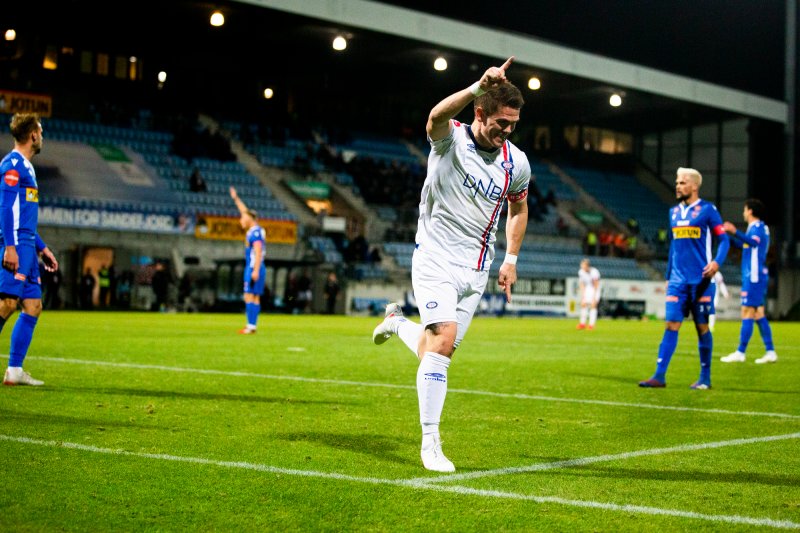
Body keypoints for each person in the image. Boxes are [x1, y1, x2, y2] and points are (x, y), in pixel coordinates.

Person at [371, 57, 530, 471]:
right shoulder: (450, 139)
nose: (507, 131)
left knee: (434, 349)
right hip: (435, 257)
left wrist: (511, 258)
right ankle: (431, 443)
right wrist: (477, 85)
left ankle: (396, 322)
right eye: (501, 122)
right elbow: (435, 116)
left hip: (475, 272)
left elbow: (518, 210)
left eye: (513, 124)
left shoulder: (517, 163)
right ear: (480, 113)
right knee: (441, 342)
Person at [639, 167, 729, 390]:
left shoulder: (708, 210)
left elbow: (724, 240)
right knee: (671, 324)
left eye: (682, 182)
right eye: (677, 182)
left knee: (702, 327)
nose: (677, 186)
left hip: (701, 281)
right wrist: (669, 276)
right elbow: (674, 249)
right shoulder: (674, 213)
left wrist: (716, 263)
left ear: (694, 186)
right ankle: (659, 376)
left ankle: (705, 378)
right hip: (678, 281)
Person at [0, 113, 59, 386]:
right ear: (33, 134)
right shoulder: (12, 165)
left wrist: (42, 248)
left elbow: (23, 216)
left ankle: (14, 370)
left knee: (33, 306)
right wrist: (10, 248)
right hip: (14, 246)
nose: (43, 136)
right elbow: (4, 208)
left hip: (27, 246)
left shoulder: (27, 167)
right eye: (41, 131)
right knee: (6, 304)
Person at [720, 198, 778, 364]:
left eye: (745, 210)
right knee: (758, 313)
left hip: (754, 276)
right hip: (754, 274)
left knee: (747, 311)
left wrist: (734, 231)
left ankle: (741, 352)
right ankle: (770, 351)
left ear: (750, 211)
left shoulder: (759, 227)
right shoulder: (755, 228)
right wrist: (729, 238)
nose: (743, 213)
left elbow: (752, 242)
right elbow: (745, 244)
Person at [230, 186, 266, 334]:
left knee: (248, 295)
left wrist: (255, 270)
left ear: (249, 219)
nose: (240, 220)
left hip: (253, 266)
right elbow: (245, 211)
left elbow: (257, 251)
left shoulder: (255, 233)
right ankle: (252, 325)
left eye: (242, 218)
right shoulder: (256, 229)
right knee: (255, 296)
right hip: (257, 266)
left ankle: (250, 325)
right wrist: (236, 199)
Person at [576, 258, 601, 330]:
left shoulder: (594, 272)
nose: (582, 267)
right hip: (587, 289)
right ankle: (582, 324)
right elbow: (582, 284)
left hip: (594, 289)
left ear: (587, 266)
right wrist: (583, 295)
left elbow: (596, 284)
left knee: (593, 305)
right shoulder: (581, 272)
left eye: (583, 265)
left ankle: (591, 325)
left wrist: (594, 296)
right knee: (583, 304)